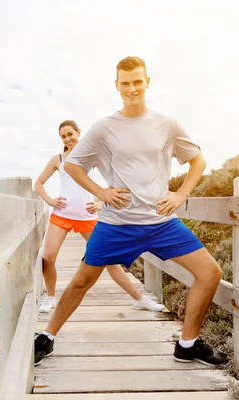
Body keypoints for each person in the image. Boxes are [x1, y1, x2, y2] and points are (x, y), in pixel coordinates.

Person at [34, 56, 228, 367]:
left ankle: (188, 344)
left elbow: (198, 160)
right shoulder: (103, 128)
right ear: (117, 86)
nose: (132, 88)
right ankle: (47, 337)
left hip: (162, 223)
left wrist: (182, 194)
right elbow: (72, 164)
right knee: (82, 280)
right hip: (116, 224)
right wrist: (100, 192)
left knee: (210, 273)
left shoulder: (167, 123)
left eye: (138, 81)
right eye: (126, 83)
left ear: (147, 82)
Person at [34, 119, 165, 317]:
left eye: (71, 134)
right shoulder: (58, 159)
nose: (68, 139)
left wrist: (102, 202)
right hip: (62, 215)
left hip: (87, 217)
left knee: (110, 261)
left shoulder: (92, 156)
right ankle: (50, 297)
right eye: (63, 136)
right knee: (47, 257)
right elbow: (39, 183)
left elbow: (117, 181)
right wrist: (50, 200)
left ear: (79, 132)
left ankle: (140, 299)